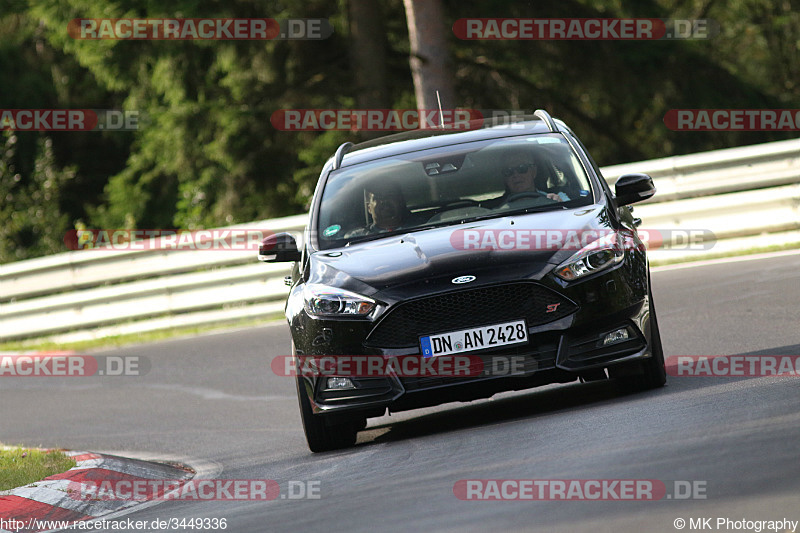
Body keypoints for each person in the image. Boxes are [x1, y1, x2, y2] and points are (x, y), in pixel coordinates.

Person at [485, 151, 569, 207]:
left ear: (534, 171)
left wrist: (559, 205)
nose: (516, 175)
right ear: (505, 178)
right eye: (508, 171)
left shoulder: (558, 197)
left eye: (522, 168)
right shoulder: (495, 210)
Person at [345, 182, 411, 237]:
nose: (384, 201)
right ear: (369, 208)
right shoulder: (356, 237)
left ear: (400, 202)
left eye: (390, 196)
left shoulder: (418, 229)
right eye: (378, 197)